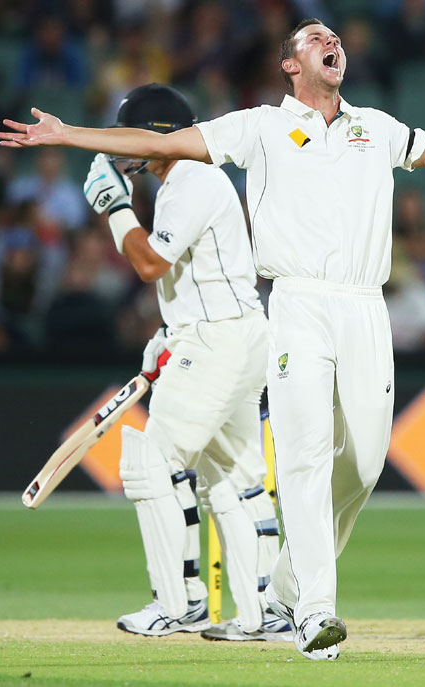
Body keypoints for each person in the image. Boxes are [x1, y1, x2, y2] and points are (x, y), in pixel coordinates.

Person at [0, 19, 425, 661]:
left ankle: (285, 587)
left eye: (333, 36)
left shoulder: (378, 128)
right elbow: (156, 139)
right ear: (290, 64)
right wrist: (65, 134)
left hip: (368, 307)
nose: (330, 40)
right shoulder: (259, 127)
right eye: (314, 36)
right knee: (304, 456)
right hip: (297, 304)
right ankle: (315, 614)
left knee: (363, 465)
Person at [80, 84, 292, 642]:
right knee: (234, 478)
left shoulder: (191, 178)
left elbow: (149, 264)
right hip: (235, 335)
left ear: (160, 137)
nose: (123, 149)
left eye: (132, 137)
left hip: (217, 342)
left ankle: (178, 602)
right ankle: (263, 612)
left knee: (152, 464)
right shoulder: (195, 179)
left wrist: (115, 209)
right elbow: (190, 275)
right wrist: (170, 330)